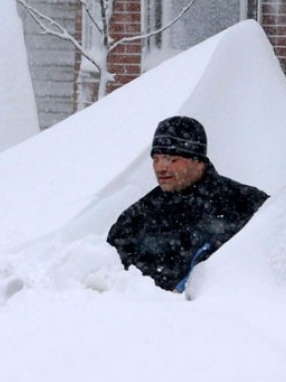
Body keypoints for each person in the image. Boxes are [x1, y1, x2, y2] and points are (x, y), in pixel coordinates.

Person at [107, 115, 268, 292]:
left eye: (171, 159)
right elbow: (108, 274)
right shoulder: (137, 218)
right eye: (156, 159)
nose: (160, 167)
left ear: (198, 162)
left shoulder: (246, 203)